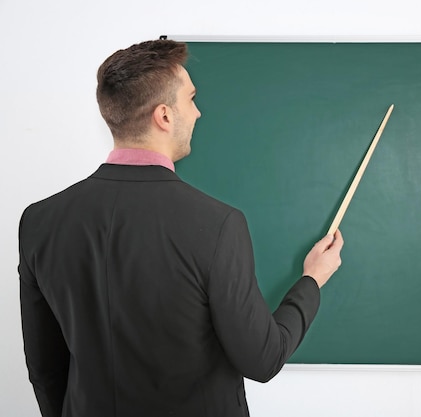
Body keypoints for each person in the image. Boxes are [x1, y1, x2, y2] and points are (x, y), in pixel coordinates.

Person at [19, 39, 344, 417]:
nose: (198, 112)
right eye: (191, 99)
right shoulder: (217, 225)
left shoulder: (39, 221)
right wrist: (311, 282)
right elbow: (263, 358)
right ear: (164, 116)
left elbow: (44, 368)